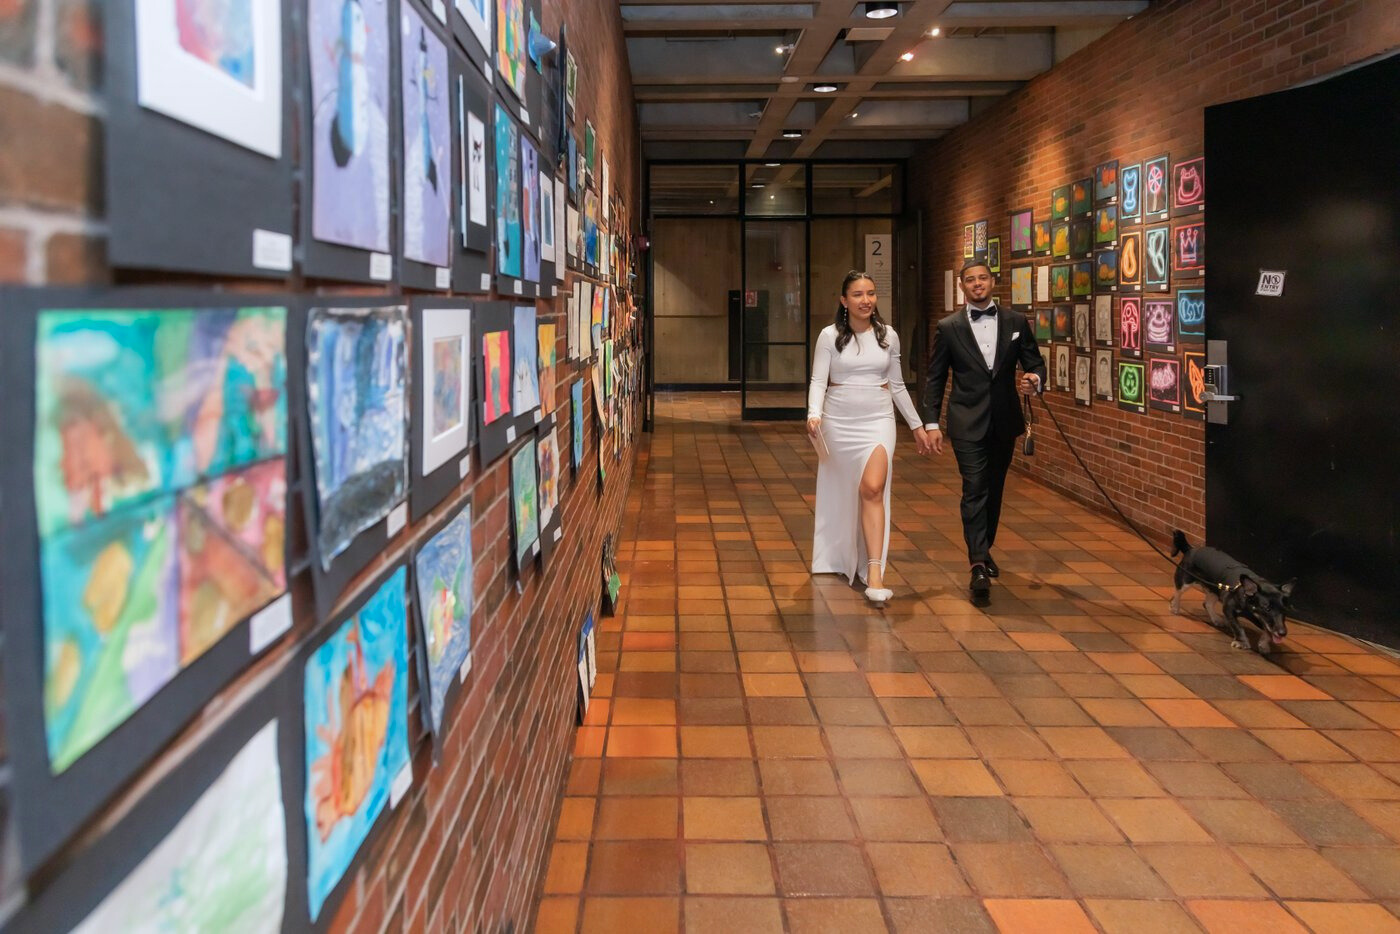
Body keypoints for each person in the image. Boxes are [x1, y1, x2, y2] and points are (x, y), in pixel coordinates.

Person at [921, 259, 1047, 601]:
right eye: (970, 280)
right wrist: (930, 421)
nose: (977, 284)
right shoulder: (948, 327)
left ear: (993, 282)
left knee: (994, 488)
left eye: (983, 278)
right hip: (966, 421)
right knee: (974, 487)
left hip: (1005, 419)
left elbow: (1034, 362)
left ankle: (983, 546)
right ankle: (977, 563)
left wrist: (1034, 379)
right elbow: (935, 377)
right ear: (962, 286)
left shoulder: (1016, 322)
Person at [808, 271, 930, 606]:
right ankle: (840, 554)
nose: (866, 300)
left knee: (872, 488)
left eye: (872, 294)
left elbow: (898, 385)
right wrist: (813, 413)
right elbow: (818, 380)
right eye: (858, 295)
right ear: (844, 300)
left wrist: (917, 425)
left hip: (878, 420)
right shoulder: (829, 336)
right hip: (838, 422)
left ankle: (874, 572)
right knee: (845, 492)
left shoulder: (888, 336)